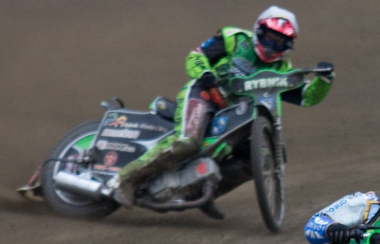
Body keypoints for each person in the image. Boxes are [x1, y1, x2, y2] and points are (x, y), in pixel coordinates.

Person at [105, 6, 334, 210]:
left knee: (261, 158)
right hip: (205, 95)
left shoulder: (283, 70)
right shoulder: (233, 38)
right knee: (187, 142)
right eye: (269, 38)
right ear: (258, 31)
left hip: (238, 116)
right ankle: (125, 179)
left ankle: (203, 192)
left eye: (280, 42)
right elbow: (196, 56)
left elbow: (306, 97)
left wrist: (324, 80)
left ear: (288, 46)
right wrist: (205, 73)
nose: (272, 45)